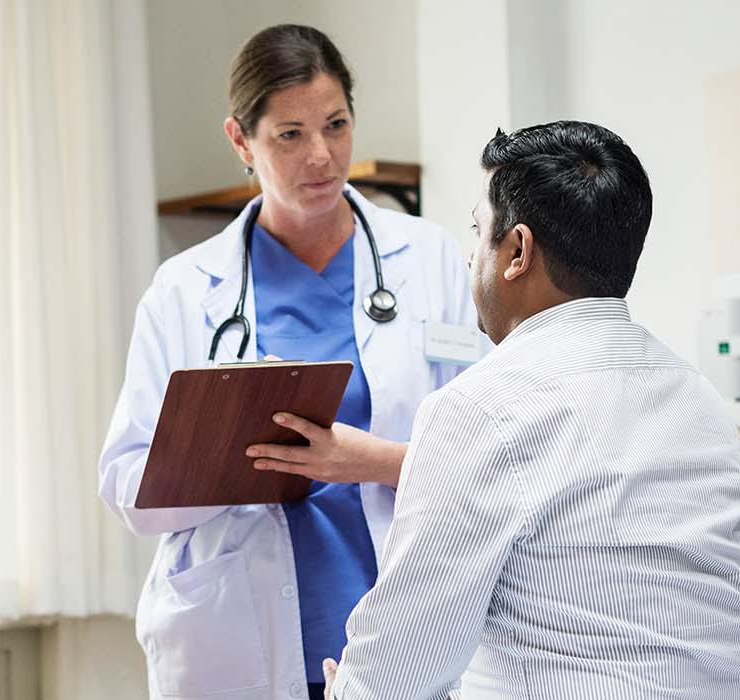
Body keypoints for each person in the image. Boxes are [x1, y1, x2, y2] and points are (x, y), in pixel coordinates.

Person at [97, 24, 480, 700]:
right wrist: (220, 455)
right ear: (242, 141)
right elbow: (126, 483)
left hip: (396, 628)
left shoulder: (430, 259)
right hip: (238, 638)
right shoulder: (184, 290)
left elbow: (484, 452)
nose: (322, 157)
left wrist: (367, 460)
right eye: (290, 135)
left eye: (336, 125)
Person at [323, 121, 740, 699]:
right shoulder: (699, 398)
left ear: (517, 252)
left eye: (480, 233)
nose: (468, 257)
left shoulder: (477, 409)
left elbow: (397, 673)